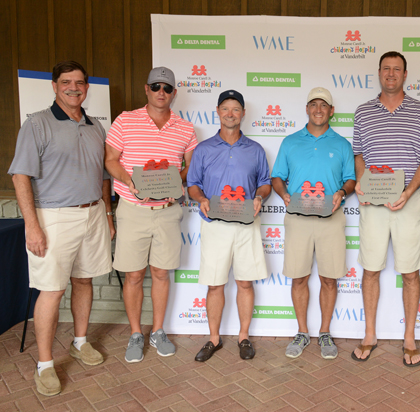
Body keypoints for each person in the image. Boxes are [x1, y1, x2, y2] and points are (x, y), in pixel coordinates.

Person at [9, 61, 115, 396]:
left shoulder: (96, 126)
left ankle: (79, 342)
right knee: (52, 291)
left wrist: (108, 214)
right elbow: (20, 176)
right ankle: (44, 364)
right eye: (66, 82)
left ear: (87, 87)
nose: (73, 88)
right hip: (52, 217)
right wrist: (32, 226)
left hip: (93, 213)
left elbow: (102, 176)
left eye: (79, 82)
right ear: (54, 86)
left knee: (84, 280)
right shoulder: (37, 124)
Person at [105, 67, 197, 363]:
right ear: (146, 89)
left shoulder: (186, 128)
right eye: (156, 86)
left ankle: (158, 331)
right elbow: (110, 160)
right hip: (133, 210)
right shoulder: (125, 120)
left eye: (167, 88)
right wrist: (130, 181)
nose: (161, 92)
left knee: (160, 272)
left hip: (168, 212)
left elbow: (191, 167)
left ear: (174, 93)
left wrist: (175, 182)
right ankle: (135, 333)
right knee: (133, 275)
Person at [352, 51, 420, 366]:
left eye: (397, 69)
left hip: (409, 201)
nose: (391, 74)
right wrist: (362, 182)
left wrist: (408, 192)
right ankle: (369, 335)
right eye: (386, 68)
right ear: (379, 73)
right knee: (371, 269)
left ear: (405, 75)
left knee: (410, 272)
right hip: (373, 201)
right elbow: (359, 155)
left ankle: (410, 338)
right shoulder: (363, 112)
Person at [271, 87, 356, 360]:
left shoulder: (342, 144)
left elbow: (351, 179)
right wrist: (283, 194)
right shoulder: (290, 142)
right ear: (307, 109)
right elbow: (277, 176)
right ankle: (302, 332)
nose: (318, 110)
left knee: (329, 278)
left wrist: (342, 192)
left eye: (324, 105)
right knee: (299, 277)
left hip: (331, 217)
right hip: (298, 218)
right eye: (314, 104)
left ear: (332, 111)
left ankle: (325, 332)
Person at [187, 90, 271, 361]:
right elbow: (192, 184)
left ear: (243, 113)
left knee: (245, 282)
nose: (230, 114)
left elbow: (265, 183)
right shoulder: (203, 149)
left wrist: (259, 197)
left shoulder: (255, 150)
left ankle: (243, 336)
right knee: (215, 284)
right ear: (218, 111)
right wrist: (201, 199)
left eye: (236, 109)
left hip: (246, 223)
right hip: (215, 224)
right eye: (225, 108)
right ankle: (214, 338)